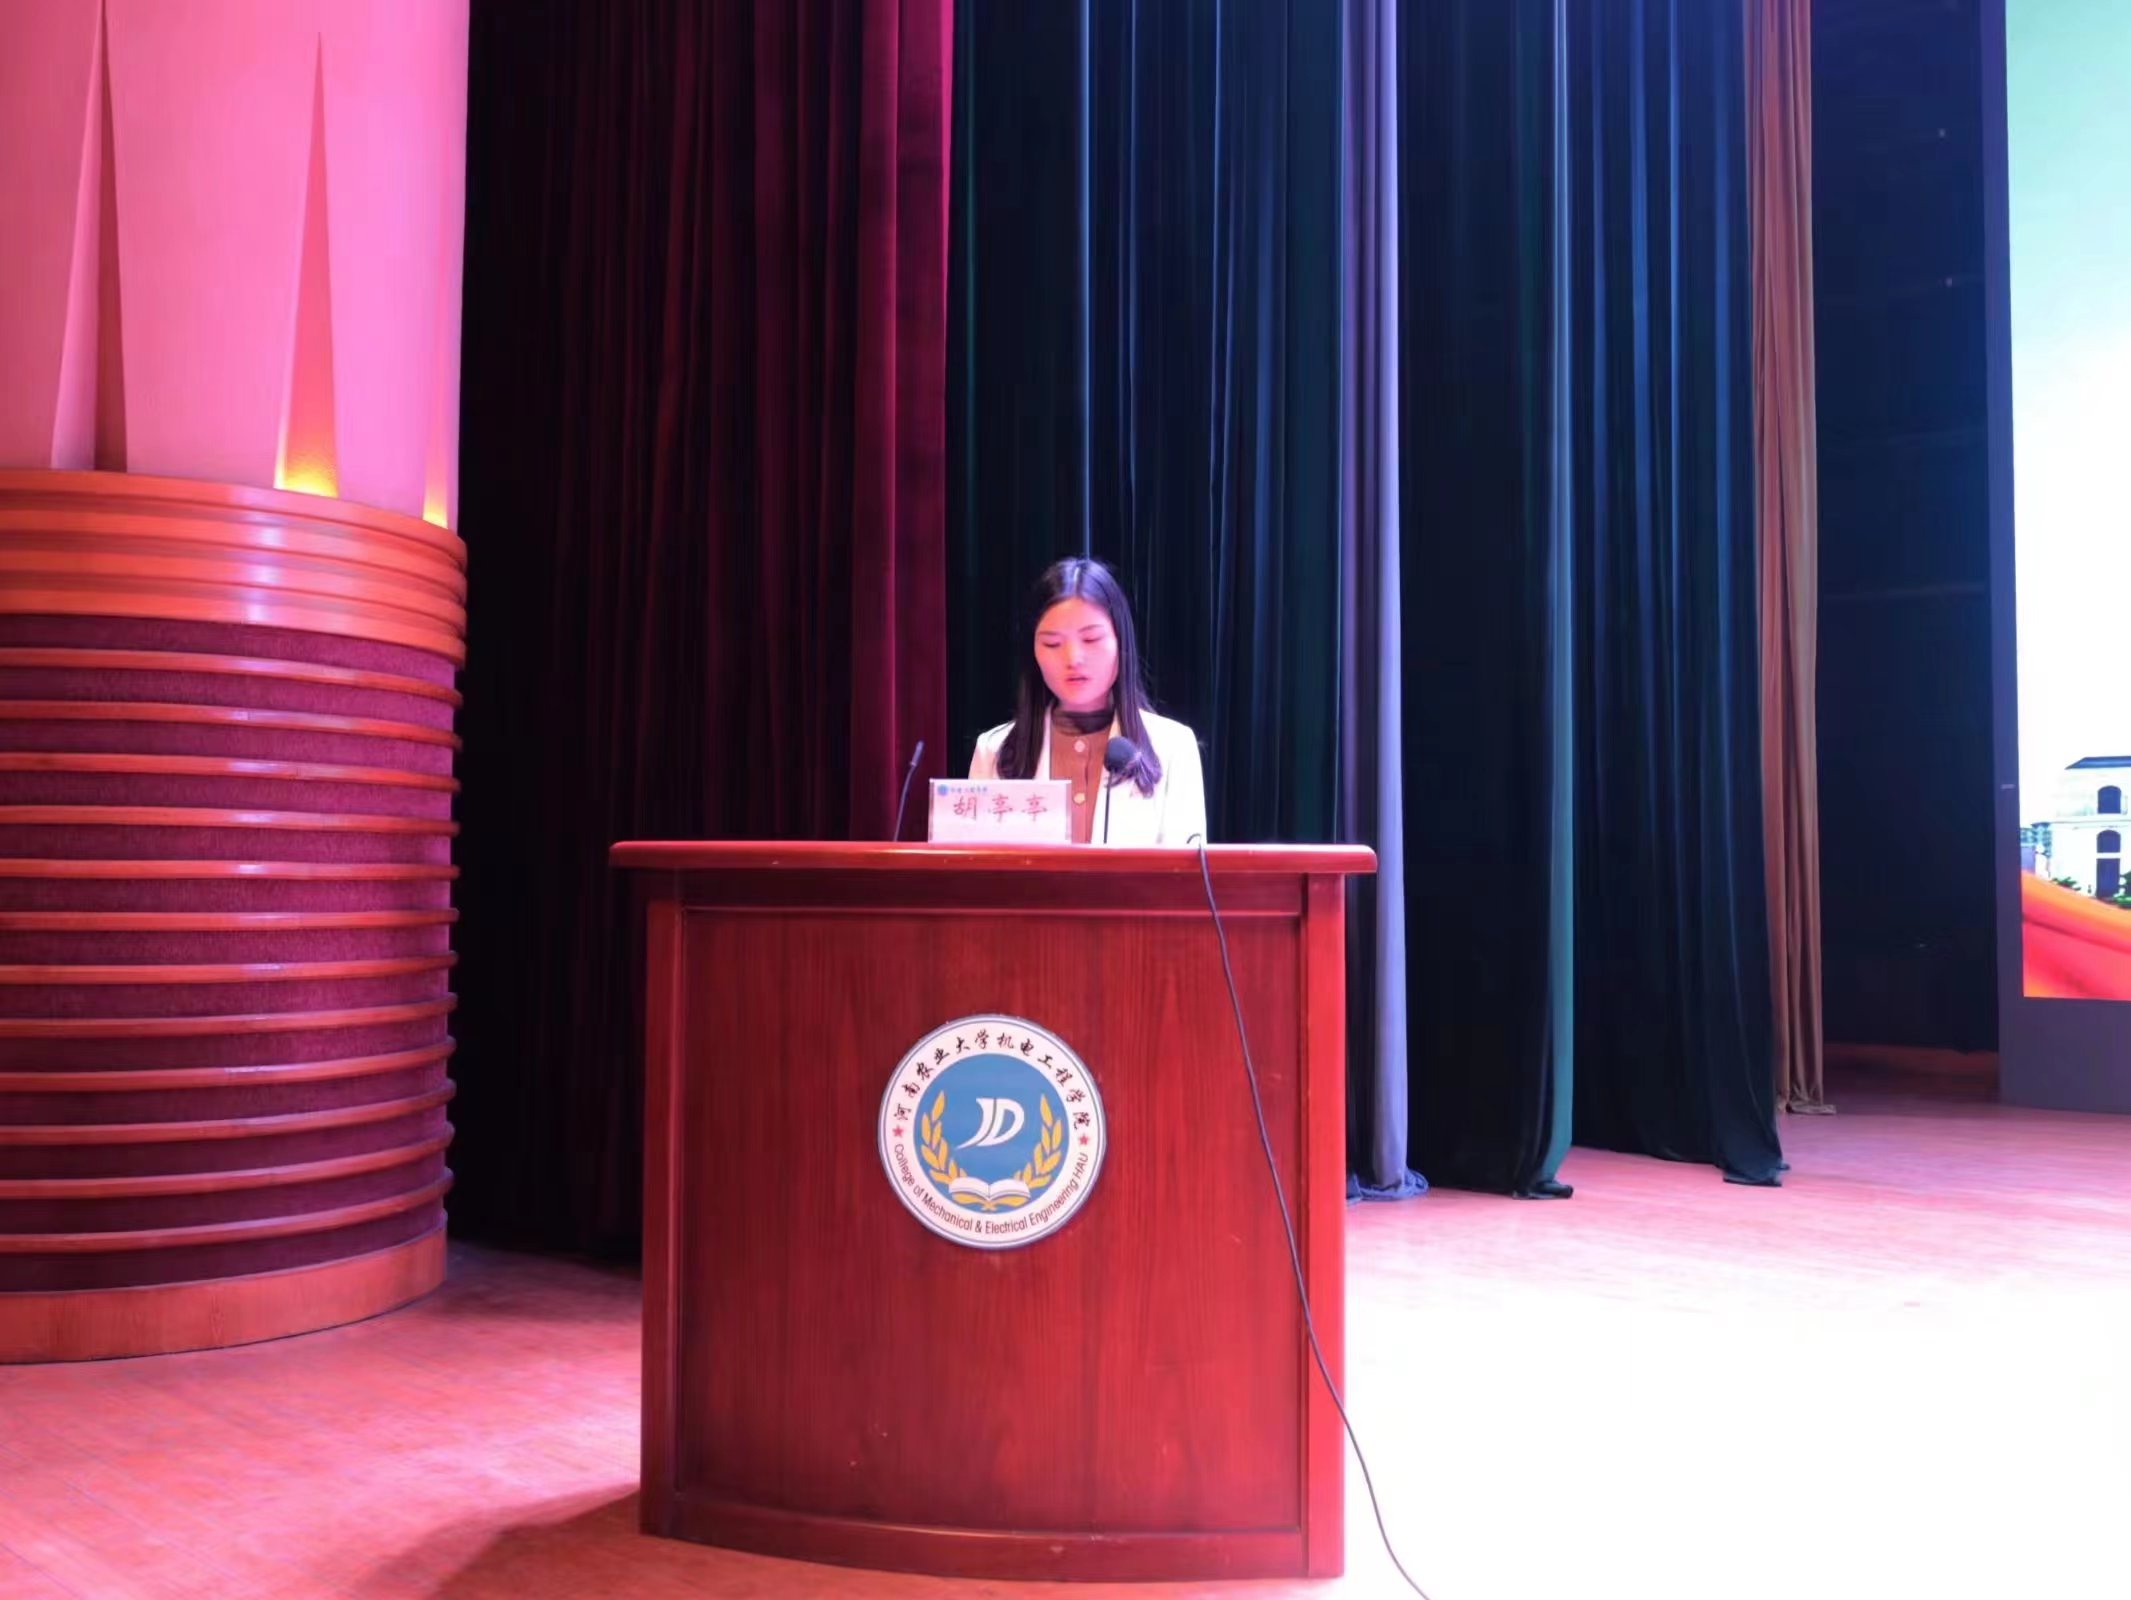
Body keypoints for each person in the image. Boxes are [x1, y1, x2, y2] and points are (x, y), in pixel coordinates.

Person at [970, 557, 1206, 846]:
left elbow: (1187, 870)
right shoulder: (994, 750)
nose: (1073, 659)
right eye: (1052, 644)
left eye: (1091, 639)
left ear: (1121, 642)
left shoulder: (1172, 747)